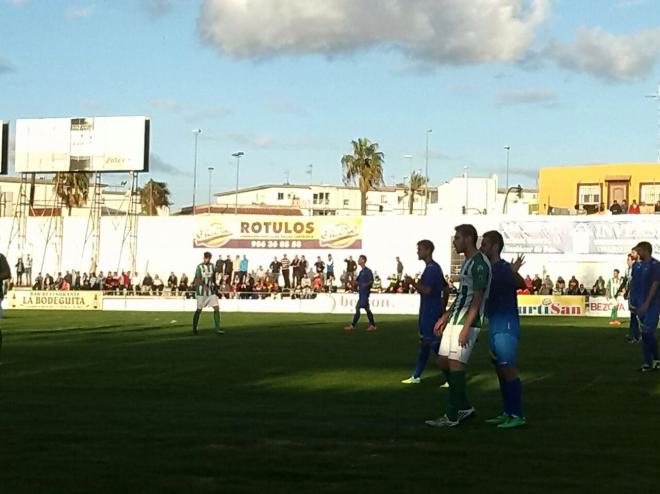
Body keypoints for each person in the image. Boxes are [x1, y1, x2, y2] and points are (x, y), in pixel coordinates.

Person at [425, 224, 491, 428]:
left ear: (469, 239)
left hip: (468, 321)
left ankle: (452, 415)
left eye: (458, 237)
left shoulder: (479, 263)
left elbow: (477, 298)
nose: (455, 241)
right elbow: (463, 295)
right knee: (443, 362)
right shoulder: (467, 262)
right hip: (456, 319)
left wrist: (466, 326)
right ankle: (463, 406)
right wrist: (446, 316)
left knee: (455, 364)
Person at [480, 230, 527, 429]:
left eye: (485, 244)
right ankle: (507, 411)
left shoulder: (503, 267)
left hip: (506, 324)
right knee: (500, 369)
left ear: (495, 247)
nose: (482, 247)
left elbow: (522, 284)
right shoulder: (489, 268)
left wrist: (513, 272)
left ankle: (517, 414)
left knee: (507, 367)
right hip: (494, 324)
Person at [401, 240, 449, 384]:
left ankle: (452, 377)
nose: (418, 252)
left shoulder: (431, 269)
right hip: (431, 310)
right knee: (425, 343)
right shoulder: (434, 268)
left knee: (434, 344)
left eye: (420, 249)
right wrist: (443, 307)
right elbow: (446, 288)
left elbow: (427, 290)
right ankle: (416, 376)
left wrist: (411, 282)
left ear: (428, 250)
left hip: (430, 312)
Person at [630, 242, 660, 371]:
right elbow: (633, 283)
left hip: (652, 304)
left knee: (647, 331)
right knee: (646, 333)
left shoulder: (655, 265)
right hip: (639, 303)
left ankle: (649, 361)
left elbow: (655, 284)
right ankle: (654, 360)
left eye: (639, 250)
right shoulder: (636, 265)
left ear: (646, 250)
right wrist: (632, 301)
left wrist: (647, 302)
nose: (637, 253)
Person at [343, 255, 376, 331]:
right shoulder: (361, 272)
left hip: (365, 293)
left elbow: (371, 281)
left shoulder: (368, 271)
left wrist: (366, 285)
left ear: (363, 260)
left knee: (358, 308)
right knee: (367, 309)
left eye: (359, 259)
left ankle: (352, 326)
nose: (358, 260)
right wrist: (349, 281)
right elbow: (356, 282)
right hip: (361, 293)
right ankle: (373, 325)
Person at [192, 251, 222, 335]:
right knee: (199, 310)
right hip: (201, 292)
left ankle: (217, 329)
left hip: (210, 292)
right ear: (204, 257)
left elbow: (213, 278)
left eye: (208, 258)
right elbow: (197, 279)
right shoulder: (199, 267)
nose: (207, 259)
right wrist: (204, 286)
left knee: (216, 308)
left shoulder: (212, 266)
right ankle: (194, 328)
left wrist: (215, 286)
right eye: (206, 258)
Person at [624, 251, 641, 343]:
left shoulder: (636, 269)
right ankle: (633, 335)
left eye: (628, 260)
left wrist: (626, 292)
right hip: (632, 295)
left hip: (636, 295)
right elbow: (626, 281)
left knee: (636, 316)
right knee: (633, 315)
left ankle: (636, 336)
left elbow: (632, 283)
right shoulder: (627, 270)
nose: (627, 261)